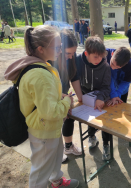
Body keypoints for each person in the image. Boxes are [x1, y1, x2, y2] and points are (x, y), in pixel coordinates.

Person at [4, 25, 79, 188]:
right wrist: (67, 101)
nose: (60, 50)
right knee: (40, 172)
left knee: (55, 157)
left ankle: (57, 181)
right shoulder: (40, 74)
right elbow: (50, 112)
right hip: (43, 129)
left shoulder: (38, 66)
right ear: (41, 49)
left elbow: (41, 97)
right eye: (58, 47)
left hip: (48, 128)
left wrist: (60, 97)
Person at [75, 36, 111, 161]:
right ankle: (91, 137)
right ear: (86, 54)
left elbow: (106, 87)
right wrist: (80, 95)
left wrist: (101, 98)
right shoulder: (78, 61)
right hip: (86, 96)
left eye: (101, 56)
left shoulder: (105, 66)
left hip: (101, 97)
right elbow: (75, 78)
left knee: (105, 122)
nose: (99, 59)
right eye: (95, 57)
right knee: (90, 119)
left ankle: (106, 145)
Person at [51, 29, 83, 163]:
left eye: (73, 53)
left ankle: (68, 146)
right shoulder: (50, 59)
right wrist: (62, 97)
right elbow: (47, 88)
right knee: (55, 123)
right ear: (59, 48)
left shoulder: (72, 57)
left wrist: (81, 98)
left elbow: (74, 77)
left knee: (69, 117)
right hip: (53, 96)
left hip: (65, 94)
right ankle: (55, 153)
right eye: (68, 53)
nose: (71, 56)